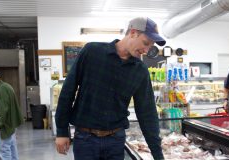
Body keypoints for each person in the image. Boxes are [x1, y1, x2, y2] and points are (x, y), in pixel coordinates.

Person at [55, 17, 166, 160]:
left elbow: (147, 113)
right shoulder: (92, 52)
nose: (146, 50)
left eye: (150, 46)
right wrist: (62, 131)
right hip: (85, 139)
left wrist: (158, 155)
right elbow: (67, 91)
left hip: (116, 140)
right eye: (145, 43)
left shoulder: (140, 71)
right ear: (132, 33)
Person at [0, 71, 24, 160]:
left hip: (5, 126)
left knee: (4, 151)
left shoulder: (2, 90)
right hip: (10, 125)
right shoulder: (6, 86)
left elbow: (3, 110)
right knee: (12, 149)